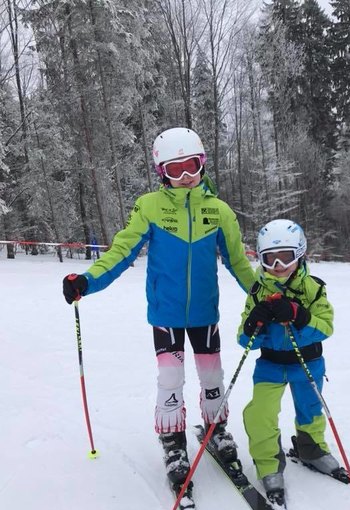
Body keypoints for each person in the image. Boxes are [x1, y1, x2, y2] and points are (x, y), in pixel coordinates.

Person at [63, 127, 255, 487]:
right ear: (161, 173)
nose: (185, 177)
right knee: (170, 378)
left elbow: (239, 265)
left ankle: (217, 428)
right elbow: (122, 251)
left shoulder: (219, 211)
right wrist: (87, 281)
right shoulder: (149, 207)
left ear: (203, 165)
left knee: (212, 375)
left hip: (204, 313)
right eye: (175, 169)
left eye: (191, 167)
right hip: (166, 312)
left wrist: (265, 296)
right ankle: (173, 441)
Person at [237, 219, 339, 505]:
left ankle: (312, 449)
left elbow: (326, 327)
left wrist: (300, 315)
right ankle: (268, 463)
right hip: (271, 364)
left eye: (286, 257)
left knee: (310, 408)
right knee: (261, 414)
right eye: (270, 258)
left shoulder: (313, 288)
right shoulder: (258, 292)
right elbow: (244, 341)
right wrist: (253, 324)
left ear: (301, 254)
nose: (279, 265)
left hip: (308, 363)